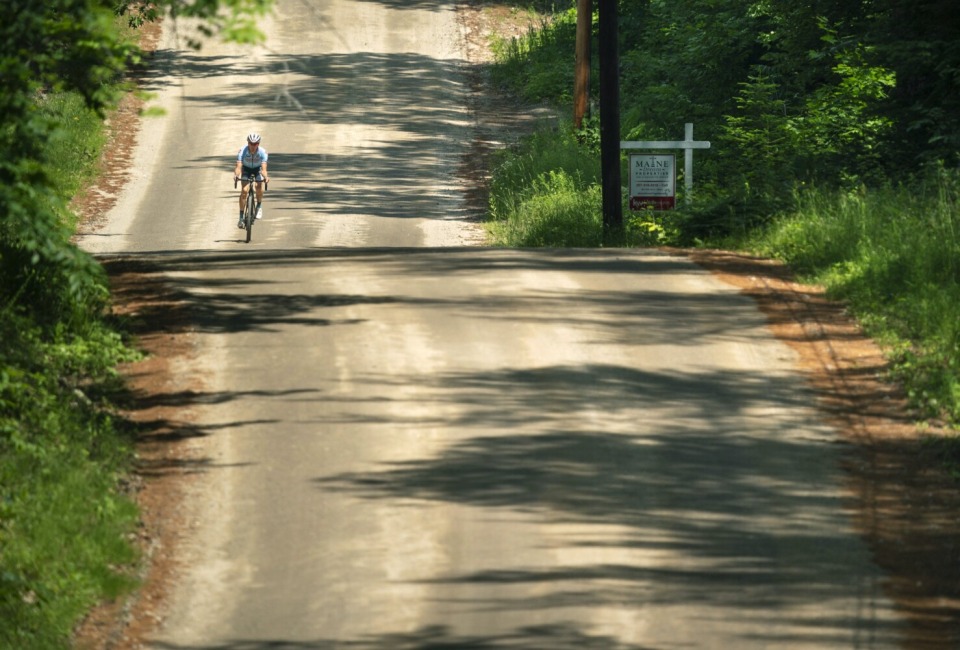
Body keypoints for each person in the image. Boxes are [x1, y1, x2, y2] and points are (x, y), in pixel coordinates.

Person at [234, 133, 269, 228]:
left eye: (255, 144)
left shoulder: (263, 152)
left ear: (258, 144)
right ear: (248, 143)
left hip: (257, 169)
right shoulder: (242, 151)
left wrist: (266, 177)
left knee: (258, 186)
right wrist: (236, 175)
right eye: (251, 144)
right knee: (244, 191)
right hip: (246, 169)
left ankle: (259, 206)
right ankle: (241, 218)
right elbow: (238, 167)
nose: (253, 146)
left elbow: (264, 169)